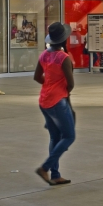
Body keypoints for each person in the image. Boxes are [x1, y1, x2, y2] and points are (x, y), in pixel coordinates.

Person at [33, 22, 75, 186]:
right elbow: (70, 84)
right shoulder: (63, 58)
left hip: (44, 100)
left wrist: (49, 85)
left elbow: (37, 77)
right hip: (58, 101)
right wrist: (60, 90)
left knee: (55, 137)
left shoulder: (44, 55)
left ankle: (55, 175)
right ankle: (45, 168)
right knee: (69, 136)